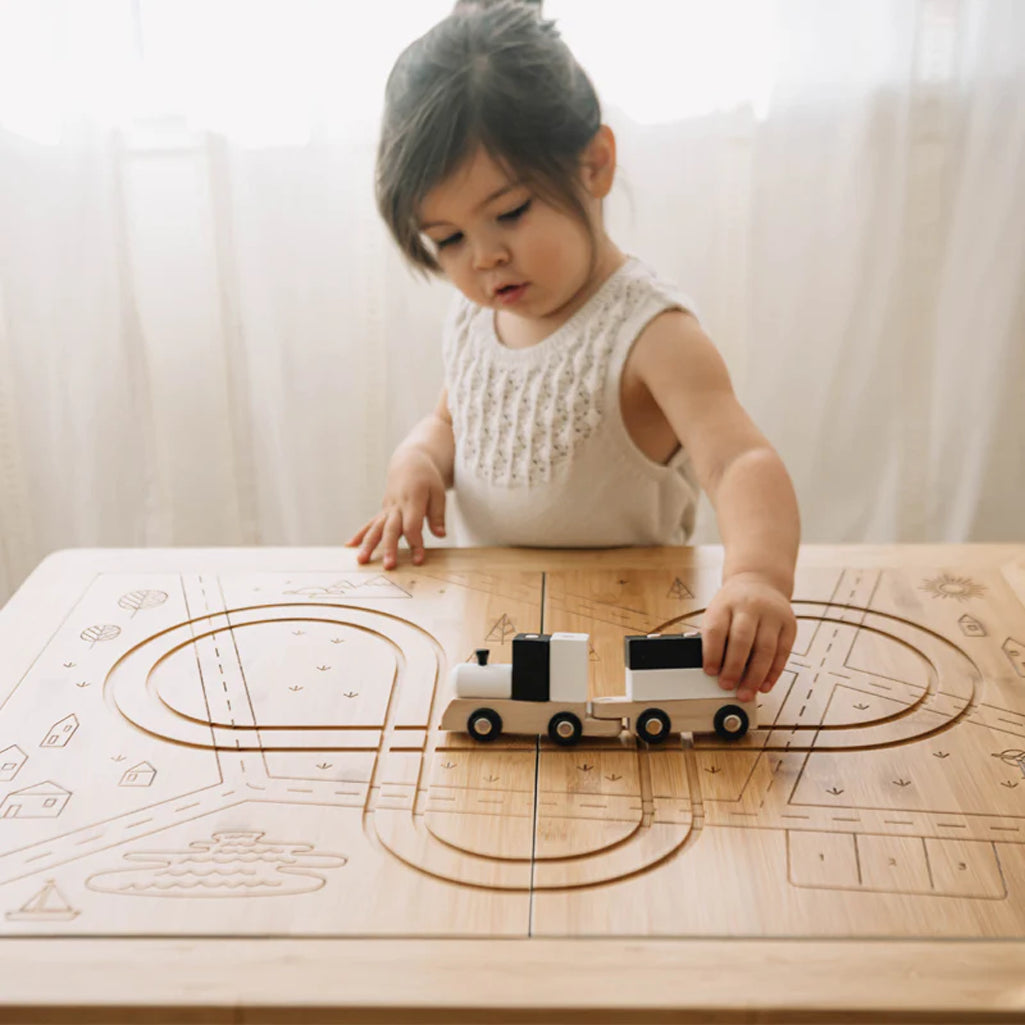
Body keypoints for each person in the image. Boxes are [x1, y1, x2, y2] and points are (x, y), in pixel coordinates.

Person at [347, 0, 800, 704]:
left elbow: (739, 461)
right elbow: (449, 419)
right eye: (449, 238)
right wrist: (415, 461)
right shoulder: (476, 318)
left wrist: (755, 579)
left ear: (594, 165)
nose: (485, 257)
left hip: (631, 636)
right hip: (497, 622)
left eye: (509, 212)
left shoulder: (650, 332)